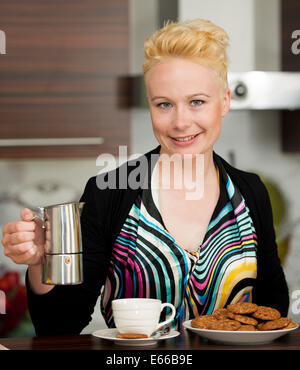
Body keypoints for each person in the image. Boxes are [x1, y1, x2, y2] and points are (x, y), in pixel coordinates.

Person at [1, 19, 289, 336]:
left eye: (197, 101)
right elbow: (58, 326)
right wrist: (41, 263)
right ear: (149, 105)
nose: (180, 122)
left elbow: (273, 310)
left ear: (224, 101)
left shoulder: (250, 191)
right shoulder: (109, 192)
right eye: (164, 104)